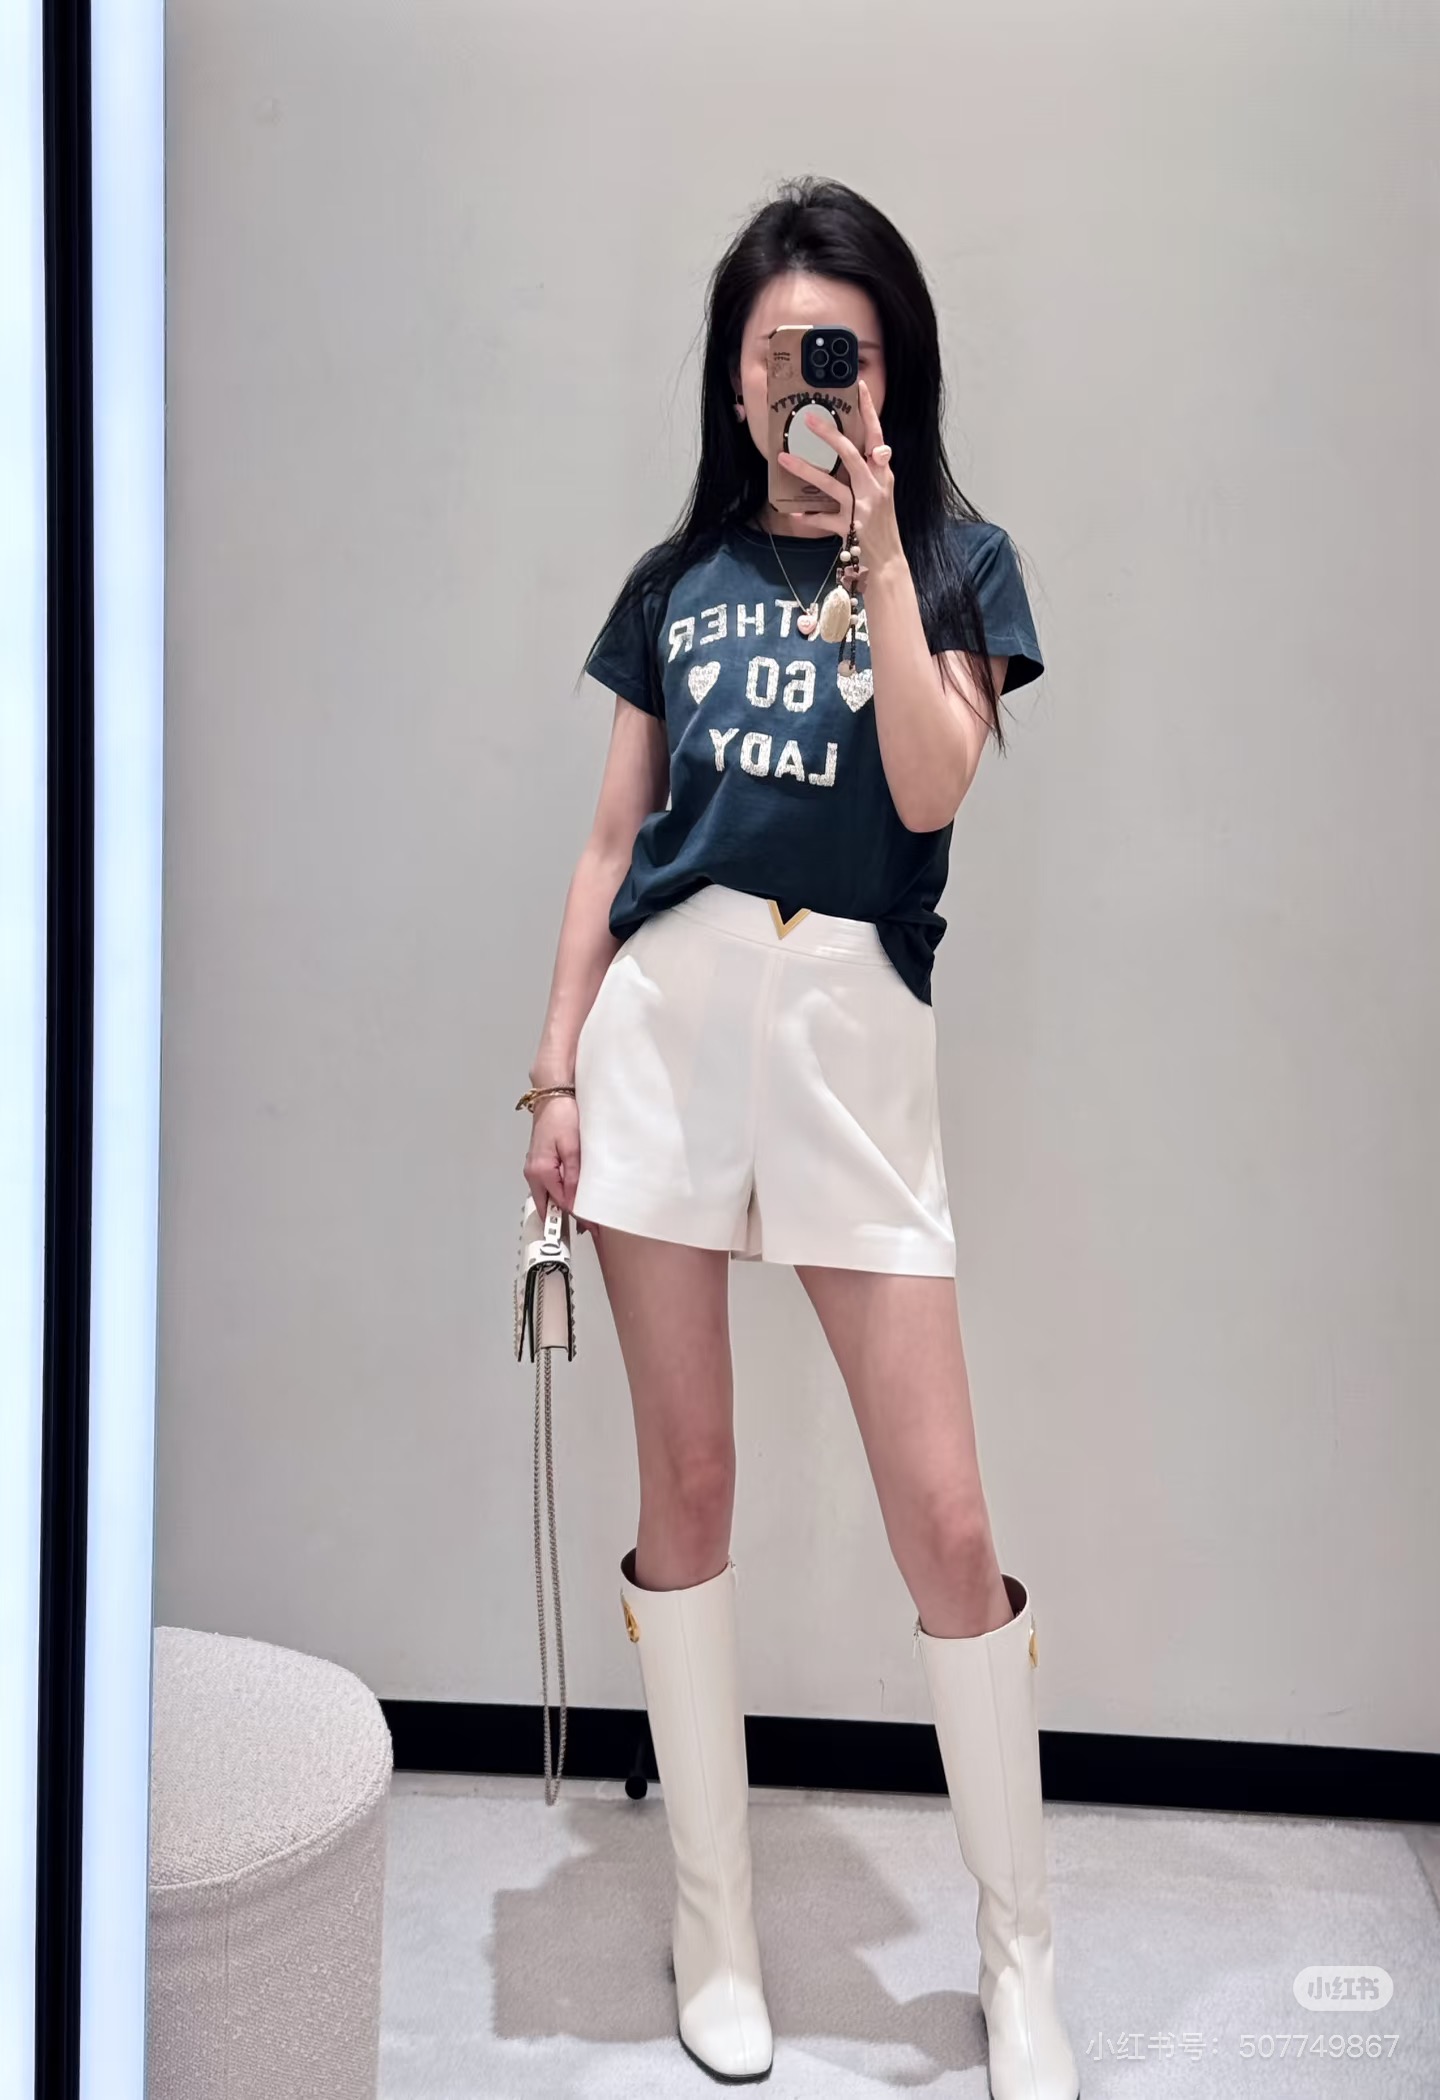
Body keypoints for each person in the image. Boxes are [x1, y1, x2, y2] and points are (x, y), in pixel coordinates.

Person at [520, 175, 1080, 2099]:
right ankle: (715, 1926)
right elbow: (612, 846)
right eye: (779, 354)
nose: (808, 381)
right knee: (689, 1481)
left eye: (840, 350)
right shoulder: (672, 586)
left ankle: (1018, 1958)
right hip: (668, 1031)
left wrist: (884, 551)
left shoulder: (965, 564)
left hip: (851, 1037)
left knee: (949, 1522)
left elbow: (927, 792)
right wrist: (557, 1071)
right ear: (733, 378)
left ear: (893, 371)